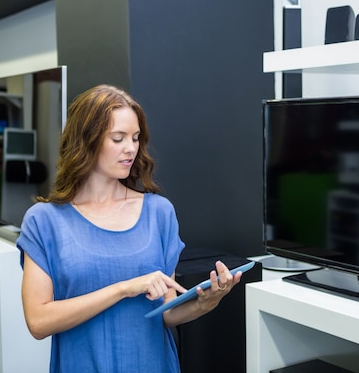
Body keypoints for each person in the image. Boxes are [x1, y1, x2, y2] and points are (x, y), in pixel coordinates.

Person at [17, 84, 243, 373]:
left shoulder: (159, 213)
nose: (131, 148)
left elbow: (167, 311)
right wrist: (123, 288)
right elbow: (38, 322)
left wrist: (206, 302)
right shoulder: (44, 221)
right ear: (86, 140)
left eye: (136, 138)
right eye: (118, 138)